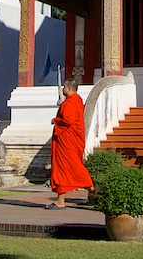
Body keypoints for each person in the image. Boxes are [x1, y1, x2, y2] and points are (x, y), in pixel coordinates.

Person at [46, 77, 93, 209]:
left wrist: (55, 120)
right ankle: (91, 192)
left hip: (66, 140)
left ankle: (91, 191)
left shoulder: (70, 103)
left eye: (64, 87)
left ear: (69, 89)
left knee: (68, 167)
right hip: (70, 140)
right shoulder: (76, 102)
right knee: (71, 167)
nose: (63, 89)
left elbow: (68, 120)